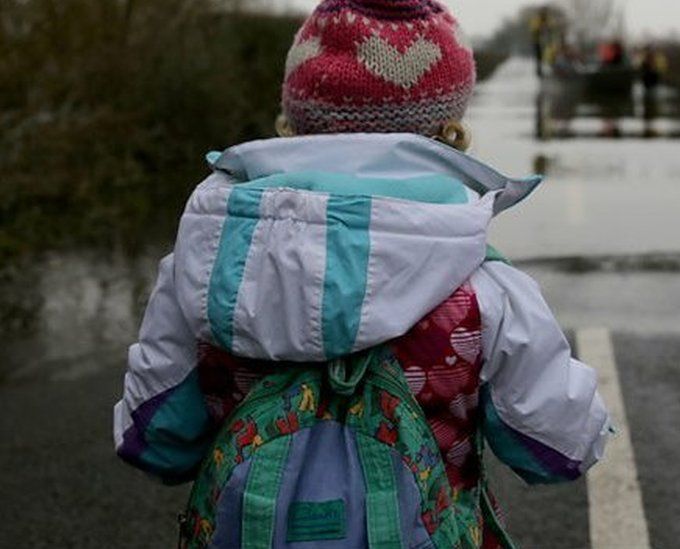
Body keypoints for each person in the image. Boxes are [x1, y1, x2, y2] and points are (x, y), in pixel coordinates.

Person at [112, 1, 611, 547]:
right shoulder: (486, 290)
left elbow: (155, 442)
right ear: (452, 130)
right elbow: (558, 448)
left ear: (290, 121)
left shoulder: (205, 271)